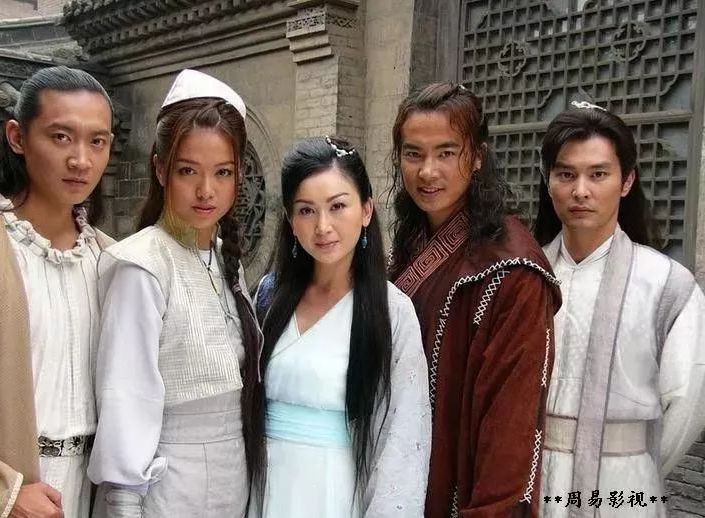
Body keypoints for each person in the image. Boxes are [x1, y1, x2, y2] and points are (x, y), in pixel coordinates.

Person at [0, 65, 114, 518]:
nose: (81, 160)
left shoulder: (112, 260)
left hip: (93, 493)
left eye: (97, 141)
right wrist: (2, 493)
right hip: (3, 493)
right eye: (61, 137)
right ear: (17, 137)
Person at [87, 69, 264, 518]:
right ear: (160, 168)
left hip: (234, 478)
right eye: (188, 171)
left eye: (223, 172)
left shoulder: (224, 260)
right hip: (168, 485)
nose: (207, 190)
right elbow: (126, 396)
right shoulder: (142, 265)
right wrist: (125, 504)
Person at [387, 82, 561, 517]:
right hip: (397, 483)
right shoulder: (411, 243)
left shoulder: (513, 272)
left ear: (478, 156)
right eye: (413, 154)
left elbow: (510, 432)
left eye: (447, 153)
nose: (428, 172)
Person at [534, 101, 705, 518]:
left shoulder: (666, 284)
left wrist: (637, 467)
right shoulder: (524, 277)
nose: (581, 191)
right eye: (566, 174)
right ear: (547, 179)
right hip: (534, 483)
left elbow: (687, 404)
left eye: (598, 174)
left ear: (626, 181)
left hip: (624, 487)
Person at [252, 137, 431, 517]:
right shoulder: (269, 297)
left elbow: (402, 440)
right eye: (306, 210)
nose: (323, 226)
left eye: (337, 206)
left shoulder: (391, 311)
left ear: (366, 210)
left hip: (336, 491)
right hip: (265, 488)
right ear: (290, 220)